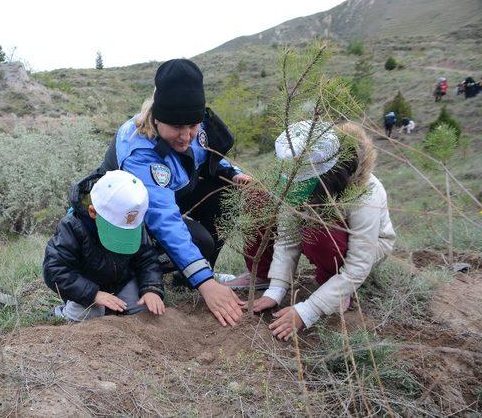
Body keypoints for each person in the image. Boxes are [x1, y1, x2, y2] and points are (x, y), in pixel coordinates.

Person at [97, 59, 251, 327]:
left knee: (227, 191)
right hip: (130, 214)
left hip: (175, 190)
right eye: (178, 128)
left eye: (192, 126)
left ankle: (191, 275)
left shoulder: (195, 127)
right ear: (157, 120)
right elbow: (163, 217)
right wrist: (206, 284)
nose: (186, 135)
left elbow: (210, 156)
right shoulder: (138, 150)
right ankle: (151, 270)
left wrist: (233, 173)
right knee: (201, 242)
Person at [225, 121, 396, 340]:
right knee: (259, 197)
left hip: (368, 245)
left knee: (317, 232)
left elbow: (359, 264)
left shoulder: (365, 194)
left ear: (326, 177)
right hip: (325, 235)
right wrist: (276, 289)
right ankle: (262, 276)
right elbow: (287, 238)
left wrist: (309, 310)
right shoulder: (297, 179)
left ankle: (333, 286)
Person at [43, 170, 165, 321]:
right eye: (116, 229)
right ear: (93, 212)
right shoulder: (72, 227)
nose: (123, 234)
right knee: (90, 314)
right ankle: (62, 313)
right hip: (85, 287)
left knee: (144, 307)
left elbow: (147, 259)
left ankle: (113, 308)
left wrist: (151, 288)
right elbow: (54, 270)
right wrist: (93, 294)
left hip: (121, 282)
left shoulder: (132, 219)